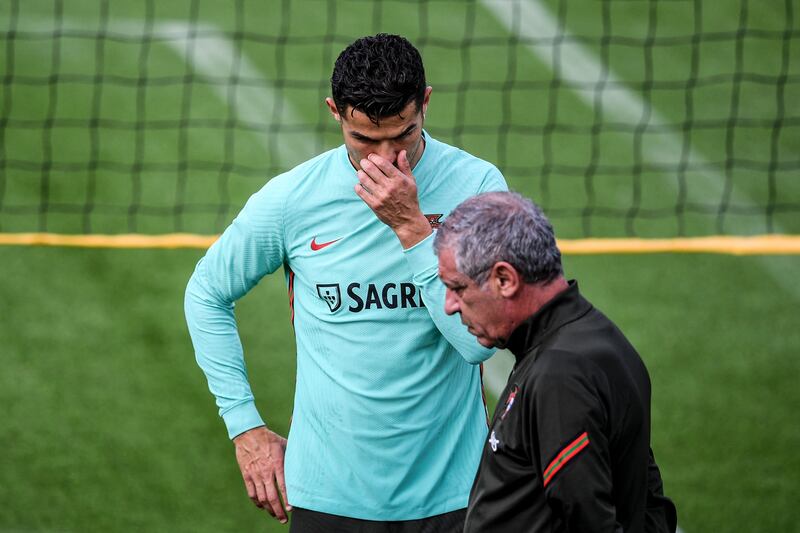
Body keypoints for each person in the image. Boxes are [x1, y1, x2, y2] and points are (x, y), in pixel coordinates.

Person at [184, 34, 507, 531]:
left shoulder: (479, 188)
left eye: (403, 135)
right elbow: (206, 293)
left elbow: (476, 343)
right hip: (328, 499)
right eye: (365, 140)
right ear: (336, 112)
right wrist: (244, 426)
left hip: (454, 497)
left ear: (425, 103)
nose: (384, 158)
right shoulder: (292, 199)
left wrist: (412, 230)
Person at [434, 191, 678, 532]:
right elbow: (648, 494)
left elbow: (589, 522)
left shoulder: (560, 374)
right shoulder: (591, 336)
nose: (449, 305)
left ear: (505, 279)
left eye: (457, 288)